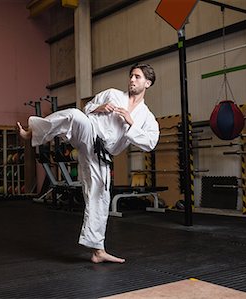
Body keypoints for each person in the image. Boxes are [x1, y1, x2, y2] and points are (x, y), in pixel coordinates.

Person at [17, 63, 160, 263]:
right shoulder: (112, 94)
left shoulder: (146, 116)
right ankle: (33, 132)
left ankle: (98, 250)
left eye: (137, 77)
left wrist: (131, 123)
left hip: (101, 154)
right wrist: (99, 108)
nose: (132, 80)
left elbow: (151, 142)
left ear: (148, 83)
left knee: (100, 196)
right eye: (131, 76)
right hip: (90, 132)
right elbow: (87, 109)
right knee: (74, 115)